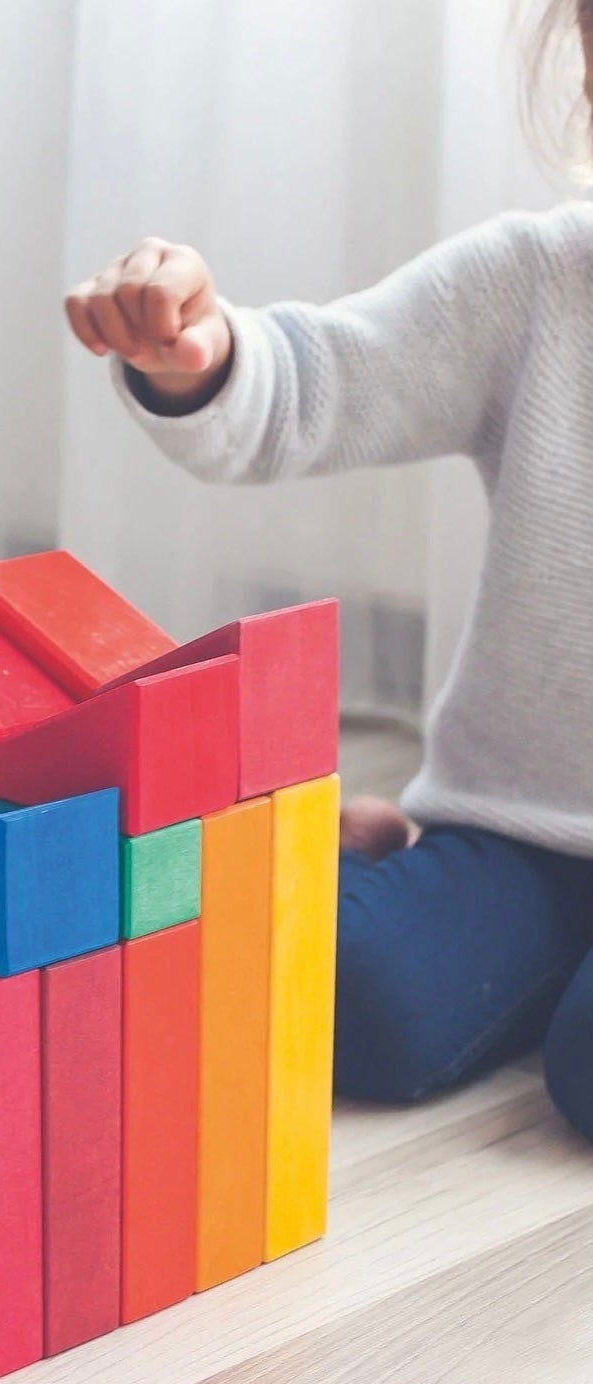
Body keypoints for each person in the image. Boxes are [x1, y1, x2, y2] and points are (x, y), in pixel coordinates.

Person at [63, 0, 593, 1136]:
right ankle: (415, 886)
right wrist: (201, 359)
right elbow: (313, 383)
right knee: (355, 1001)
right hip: (520, 825)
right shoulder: (543, 276)